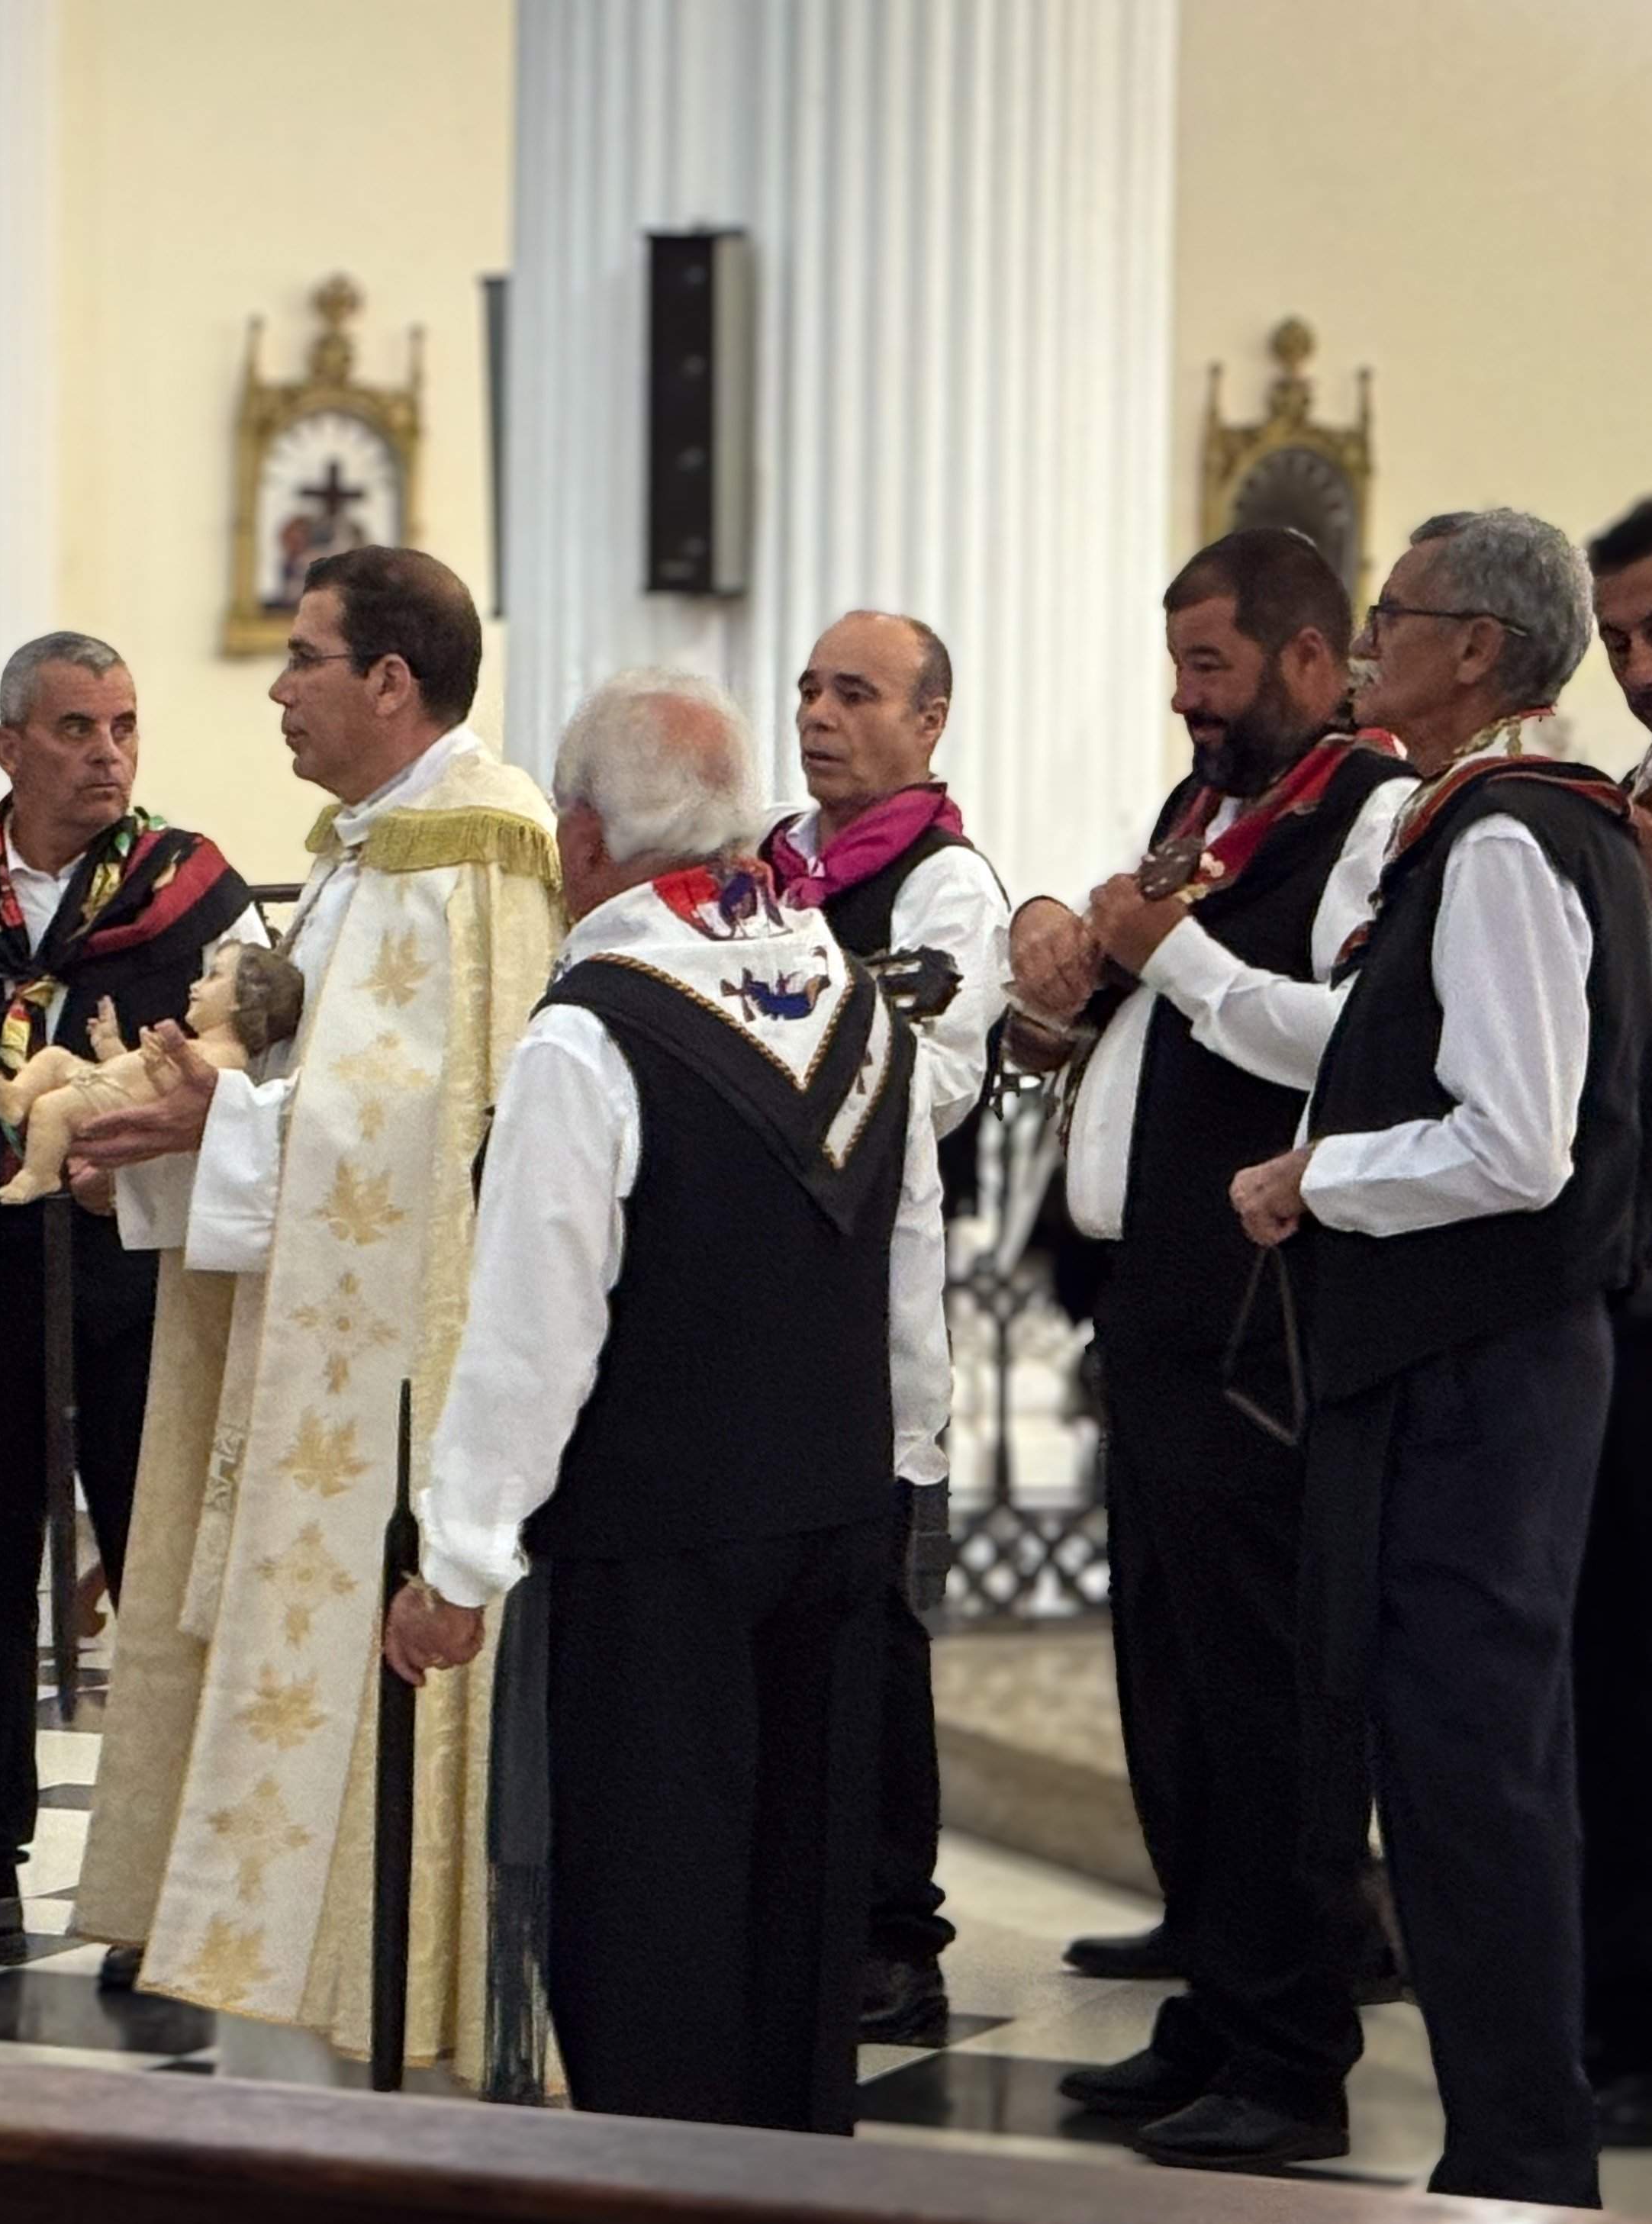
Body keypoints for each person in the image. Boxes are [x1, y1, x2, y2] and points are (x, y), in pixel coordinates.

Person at [385, 668, 946, 2130]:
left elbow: (535, 1329)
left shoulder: (595, 1030)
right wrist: (908, 1470)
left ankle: (662, 2190)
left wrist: (457, 1562)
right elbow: (911, 1264)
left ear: (579, 837)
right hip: (835, 1517)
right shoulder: (859, 1007)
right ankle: (792, 2173)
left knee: (649, 1909)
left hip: (654, 1549)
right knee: (801, 1903)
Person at [69, 547, 562, 2078]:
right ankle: (297, 1982)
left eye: (305, 659)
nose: (278, 688)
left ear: (392, 682)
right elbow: (325, 1099)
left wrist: (220, 1121)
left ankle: (387, 2002)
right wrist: (173, 1126)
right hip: (313, 1347)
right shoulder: (366, 850)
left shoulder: (478, 851)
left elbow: (440, 1137)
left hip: (405, 1384)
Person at [1232, 507, 1652, 2206]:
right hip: (1478, 1364)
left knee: (1474, 1767)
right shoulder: (1499, 823)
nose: (1365, 642)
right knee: (1451, 1755)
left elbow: (1518, 1145)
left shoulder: (1501, 837)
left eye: (1393, 615)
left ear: (1477, 647)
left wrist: (1312, 1177)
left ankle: (1522, 2155)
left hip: (1483, 1375)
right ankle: (1514, 2139)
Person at [1005, 527, 1414, 2171]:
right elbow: (1163, 993)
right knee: (1175, 1682)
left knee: (1266, 1691)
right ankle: (1219, 1998)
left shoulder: (1375, 816)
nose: (1184, 700)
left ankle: (1293, 2052)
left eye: (1212, 668)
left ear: (1313, 664)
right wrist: (1069, 960)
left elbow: (1352, 1038)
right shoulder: (1213, 814)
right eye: (1178, 665)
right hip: (1158, 1307)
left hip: (1265, 1322)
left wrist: (1160, 950)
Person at [0, 632, 256, 1975]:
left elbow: (257, 1088)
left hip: (136, 1291)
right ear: (10, 746)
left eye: (124, 725)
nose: (107, 754)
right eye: (75, 728)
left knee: (154, 1575)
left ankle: (158, 1892)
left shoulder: (195, 890)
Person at [765, 609, 1010, 2044]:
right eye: (808, 688)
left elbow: (939, 1085)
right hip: (762, 1307)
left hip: (871, 1311)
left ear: (928, 724)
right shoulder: (768, 868)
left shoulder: (947, 889)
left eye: (855, 693)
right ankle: (797, 1904)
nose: (819, 713)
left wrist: (779, 1044)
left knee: (873, 1632)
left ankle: (894, 1934)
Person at [1574, 497, 1652, 2145]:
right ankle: (1621, 2002)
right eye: (1623, 639)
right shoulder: (1638, 793)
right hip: (1630, 1286)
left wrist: (1651, 919)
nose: (1650, 672)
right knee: (1619, 1658)